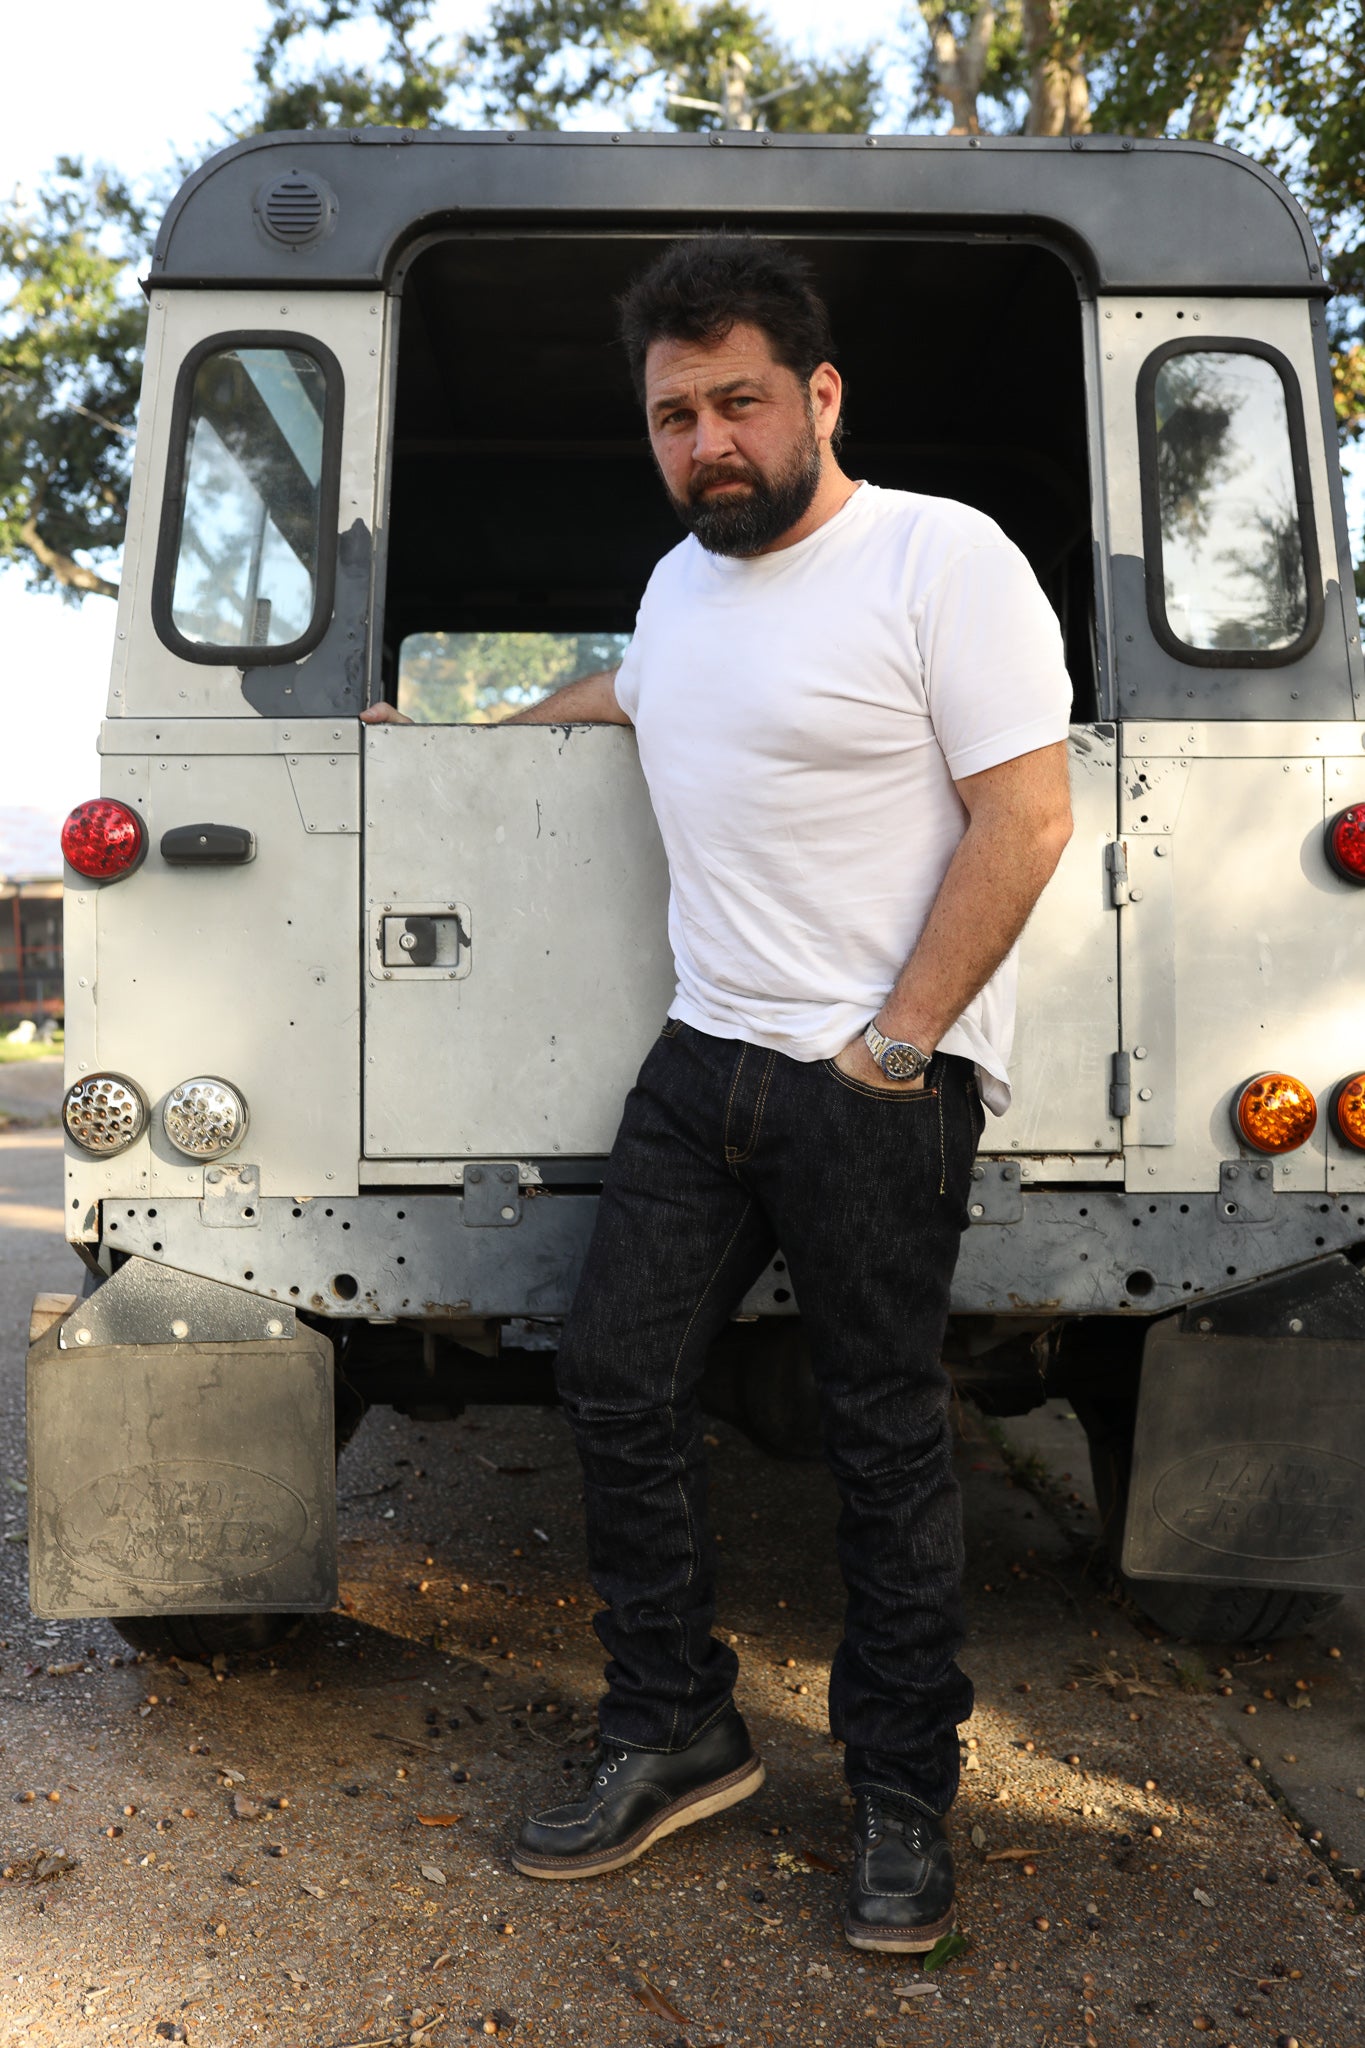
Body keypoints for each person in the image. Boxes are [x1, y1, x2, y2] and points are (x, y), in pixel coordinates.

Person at [363, 234, 1073, 1952]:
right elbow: (634, 689)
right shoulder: (683, 582)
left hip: (871, 1075)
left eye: (738, 403)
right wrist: (471, 747)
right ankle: (675, 1725)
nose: (708, 443)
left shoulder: (939, 558)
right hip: (705, 1057)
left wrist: (894, 1045)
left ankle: (900, 1794)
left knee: (881, 1434)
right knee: (612, 1378)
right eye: (674, 416)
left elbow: (1027, 815)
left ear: (819, 395)